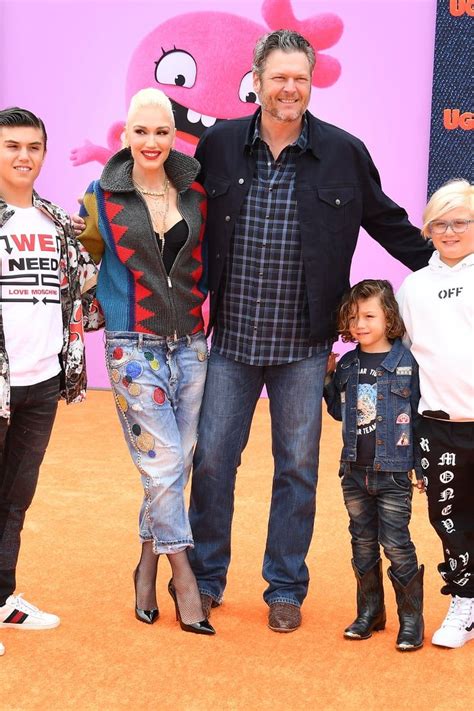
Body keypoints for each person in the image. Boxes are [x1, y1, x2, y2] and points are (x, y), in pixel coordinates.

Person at [187, 29, 433, 633]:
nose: (290, 87)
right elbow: (169, 207)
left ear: (311, 81)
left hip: (305, 346)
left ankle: (285, 587)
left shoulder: (345, 153)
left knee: (296, 467)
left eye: (300, 77)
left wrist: (449, 267)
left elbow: (386, 220)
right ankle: (206, 579)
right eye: (279, 77)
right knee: (215, 463)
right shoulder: (217, 146)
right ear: (258, 78)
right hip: (231, 343)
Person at [78, 88, 215, 635]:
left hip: (193, 346)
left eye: (161, 132)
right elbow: (83, 263)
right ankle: (183, 576)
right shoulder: (99, 196)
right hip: (133, 348)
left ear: (173, 135)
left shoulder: (198, 191)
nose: (151, 142)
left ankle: (146, 561)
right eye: (141, 132)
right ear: (125, 135)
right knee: (162, 467)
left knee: (174, 467)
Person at [0, 107, 100, 648]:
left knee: (16, 496)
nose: (23, 156)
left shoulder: (58, 222)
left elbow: (87, 286)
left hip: (41, 382)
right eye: (12, 145)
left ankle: (1, 597)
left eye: (33, 147)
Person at [324, 280, 424, 651]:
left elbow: (416, 417)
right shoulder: (349, 363)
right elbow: (338, 412)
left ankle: (411, 620)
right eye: (353, 318)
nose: (360, 324)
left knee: (396, 543)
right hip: (353, 471)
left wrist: (420, 466)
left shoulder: (406, 365)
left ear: (389, 318)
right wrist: (328, 378)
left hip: (394, 472)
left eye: (369, 316)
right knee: (361, 543)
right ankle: (370, 612)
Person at [397, 179, 474, 649]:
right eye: (439, 224)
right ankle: (464, 602)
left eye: (460, 222)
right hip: (439, 429)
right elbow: (405, 357)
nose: (449, 231)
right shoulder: (414, 288)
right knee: (448, 519)